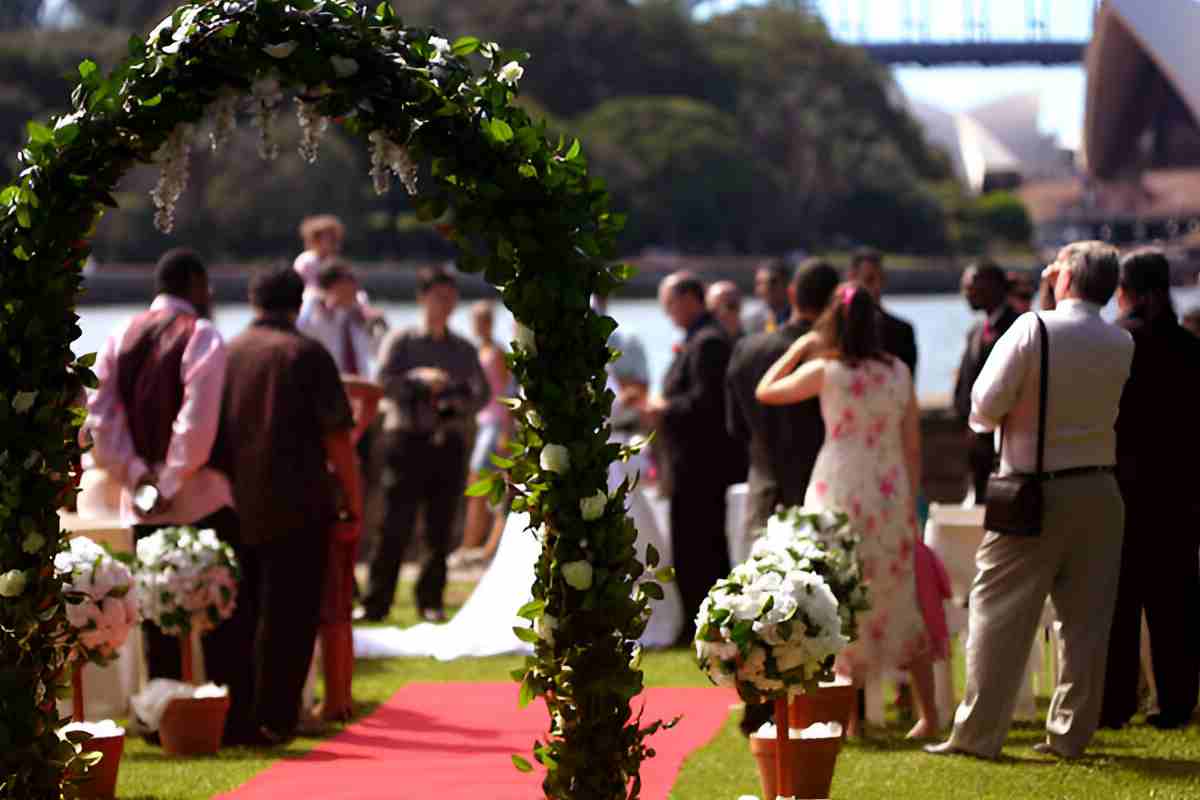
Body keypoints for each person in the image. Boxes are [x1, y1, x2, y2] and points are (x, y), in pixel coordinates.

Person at [926, 241, 1133, 760]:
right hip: (1101, 490)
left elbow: (984, 404)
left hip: (1032, 490)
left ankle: (977, 735)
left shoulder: (1032, 328)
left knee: (998, 613)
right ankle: (1070, 735)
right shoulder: (1120, 341)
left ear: (1064, 279)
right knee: (1086, 623)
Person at [756, 282, 940, 740]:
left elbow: (766, 390)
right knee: (899, 597)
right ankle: (929, 715)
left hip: (838, 488)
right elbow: (914, 445)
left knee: (841, 599)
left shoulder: (827, 371)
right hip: (889, 490)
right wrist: (911, 501)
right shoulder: (898, 371)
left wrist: (798, 347)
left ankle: (851, 718)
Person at [210, 267, 362, 745]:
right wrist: (355, 503)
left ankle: (238, 714)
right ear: (298, 303)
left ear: (253, 301)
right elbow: (337, 437)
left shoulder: (227, 353)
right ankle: (277, 716)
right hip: (299, 503)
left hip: (232, 501)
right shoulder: (307, 353)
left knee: (240, 613)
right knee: (290, 616)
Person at [85, 248, 237, 693]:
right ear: (194, 284)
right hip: (201, 495)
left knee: (156, 613)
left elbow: (101, 418)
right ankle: (223, 710)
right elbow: (198, 418)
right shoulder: (203, 334)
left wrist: (137, 477)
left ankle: (163, 709)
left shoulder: (119, 334)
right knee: (221, 612)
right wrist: (170, 479)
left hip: (143, 503)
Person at [1100, 249, 1200, 730]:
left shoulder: (1119, 343)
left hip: (1123, 488)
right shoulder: (1190, 348)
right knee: (1176, 604)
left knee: (1120, 604)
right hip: (1180, 492)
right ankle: (1175, 702)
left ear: (1126, 291)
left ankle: (1117, 701)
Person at [361, 267, 490, 622]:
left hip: (447, 442)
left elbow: (480, 393)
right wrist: (419, 384)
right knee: (393, 525)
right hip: (405, 440)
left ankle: (430, 601)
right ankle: (376, 602)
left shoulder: (463, 348)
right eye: (438, 297)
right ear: (423, 298)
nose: (445, 305)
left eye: (450, 298)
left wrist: (451, 398)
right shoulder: (402, 340)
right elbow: (383, 382)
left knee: (440, 526)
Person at [640, 272, 743, 642]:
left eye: (670, 303)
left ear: (689, 299)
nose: (667, 312)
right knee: (691, 544)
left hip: (703, 465)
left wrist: (664, 408)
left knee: (699, 547)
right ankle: (699, 620)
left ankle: (703, 622)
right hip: (690, 463)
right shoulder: (698, 339)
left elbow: (706, 403)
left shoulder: (709, 342)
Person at [726, 258, 840, 534]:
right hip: (819, 497)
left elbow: (736, 427)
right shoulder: (834, 356)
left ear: (791, 294)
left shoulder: (746, 349)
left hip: (763, 494)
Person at [451, 301, 513, 567]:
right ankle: (475, 544)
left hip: (496, 424)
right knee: (482, 484)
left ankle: (475, 545)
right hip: (485, 422)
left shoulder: (496, 352)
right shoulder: (482, 350)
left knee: (482, 483)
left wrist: (506, 432)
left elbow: (506, 394)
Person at [953, 262, 1020, 504]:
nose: (966, 292)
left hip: (1006, 446)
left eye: (971, 286)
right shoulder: (976, 331)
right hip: (975, 446)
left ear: (992, 286)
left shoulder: (1019, 327)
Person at [847, 248, 917, 378]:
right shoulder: (838, 328)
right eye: (869, 280)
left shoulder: (903, 331)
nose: (877, 286)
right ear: (851, 278)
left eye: (881, 279)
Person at [296, 262, 373, 377]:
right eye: (343, 289)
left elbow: (378, 350)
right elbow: (298, 329)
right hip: (326, 385)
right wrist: (318, 303)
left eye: (353, 288)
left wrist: (374, 322)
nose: (351, 294)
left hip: (360, 387)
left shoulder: (359, 316)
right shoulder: (314, 312)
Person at [293, 214, 345, 295]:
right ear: (314, 239)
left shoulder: (334, 262)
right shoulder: (307, 261)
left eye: (333, 238)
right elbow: (307, 289)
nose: (332, 242)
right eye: (327, 238)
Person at [743, 259, 791, 335]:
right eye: (758, 283)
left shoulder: (796, 317)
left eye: (772, 283)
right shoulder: (751, 319)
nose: (764, 288)